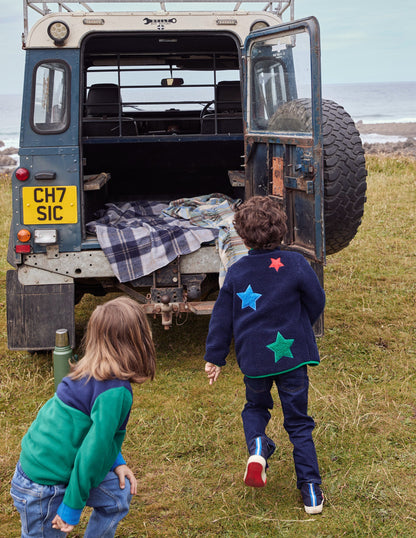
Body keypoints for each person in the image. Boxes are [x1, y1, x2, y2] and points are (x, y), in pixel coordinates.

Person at [204, 196, 325, 515]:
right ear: (282, 229)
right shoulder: (297, 263)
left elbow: (221, 317)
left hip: (254, 360)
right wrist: (301, 327)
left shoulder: (237, 270)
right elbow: (317, 300)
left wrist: (214, 357)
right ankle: (311, 490)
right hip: (293, 358)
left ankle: (258, 444)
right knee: (299, 422)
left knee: (256, 406)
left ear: (242, 236)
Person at [11, 296, 156, 537]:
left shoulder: (91, 372)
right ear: (137, 340)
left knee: (117, 497)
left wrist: (117, 462)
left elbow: (97, 436)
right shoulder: (114, 392)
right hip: (43, 486)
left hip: (58, 469)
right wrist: (71, 506)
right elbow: (93, 452)